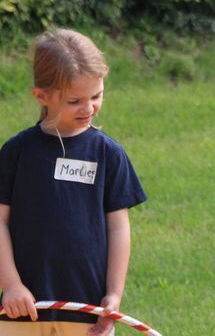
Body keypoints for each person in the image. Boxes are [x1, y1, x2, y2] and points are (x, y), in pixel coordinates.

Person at [0, 29, 147, 336]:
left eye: (97, 96)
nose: (89, 107)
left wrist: (114, 294)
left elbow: (118, 227)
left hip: (89, 309)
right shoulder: (16, 152)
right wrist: (11, 284)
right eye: (75, 100)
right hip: (22, 308)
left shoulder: (108, 154)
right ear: (42, 96)